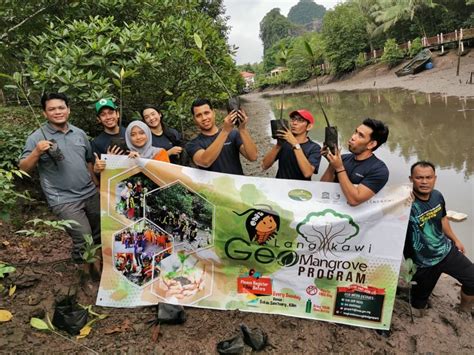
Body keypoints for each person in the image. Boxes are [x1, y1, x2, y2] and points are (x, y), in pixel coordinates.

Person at [19, 93, 100, 264]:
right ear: (44, 113)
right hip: (63, 199)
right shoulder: (36, 137)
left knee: (99, 233)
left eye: (61, 107)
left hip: (90, 193)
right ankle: (84, 273)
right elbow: (23, 168)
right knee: (85, 240)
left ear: (68, 110)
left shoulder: (79, 133)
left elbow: (88, 161)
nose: (57, 112)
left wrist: (96, 185)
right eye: (52, 109)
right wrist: (36, 152)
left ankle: (98, 268)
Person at [404, 161, 473, 313]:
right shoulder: (403, 203)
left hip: (446, 251)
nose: (424, 182)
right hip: (422, 263)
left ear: (435, 178)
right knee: (418, 306)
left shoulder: (437, 196)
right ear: (411, 179)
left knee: (472, 280)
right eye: (419, 177)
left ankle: (463, 311)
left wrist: (456, 240)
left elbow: (442, 219)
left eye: (428, 177)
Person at [320, 118, 389, 206]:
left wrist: (339, 168)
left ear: (371, 144)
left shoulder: (379, 170)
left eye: (360, 135)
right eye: (355, 132)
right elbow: (322, 188)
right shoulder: (343, 159)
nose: (353, 137)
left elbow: (354, 200)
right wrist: (332, 163)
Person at [185, 98, 258, 175]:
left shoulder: (233, 135)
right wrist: (225, 131)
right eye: (198, 115)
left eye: (206, 113)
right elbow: (205, 161)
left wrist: (242, 129)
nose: (204, 118)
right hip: (212, 187)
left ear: (213, 113)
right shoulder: (192, 144)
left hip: (237, 185)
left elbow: (253, 157)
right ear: (194, 119)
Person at [262, 109, 321, 180]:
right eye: (293, 119)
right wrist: (278, 145)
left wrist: (295, 144)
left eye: (300, 120)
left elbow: (307, 173)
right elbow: (264, 166)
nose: (294, 123)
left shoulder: (314, 148)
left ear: (309, 126)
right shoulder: (284, 143)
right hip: (282, 185)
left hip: (301, 188)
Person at [94, 120, 170, 173]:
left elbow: (165, 177)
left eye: (141, 133)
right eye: (133, 135)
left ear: (148, 133)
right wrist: (110, 162)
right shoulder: (124, 155)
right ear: (128, 138)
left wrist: (140, 161)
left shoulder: (160, 153)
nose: (138, 137)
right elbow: (113, 180)